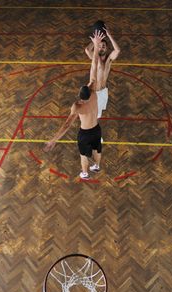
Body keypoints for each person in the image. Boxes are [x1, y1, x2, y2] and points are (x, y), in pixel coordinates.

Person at [44, 30, 105, 180]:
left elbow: (66, 125)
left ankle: (84, 174)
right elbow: (94, 64)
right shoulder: (95, 92)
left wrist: (53, 140)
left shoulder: (77, 107)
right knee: (97, 149)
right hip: (96, 129)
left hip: (85, 133)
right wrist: (96, 47)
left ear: (80, 96)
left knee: (84, 154)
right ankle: (96, 166)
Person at [85, 25, 120, 118]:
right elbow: (87, 50)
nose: (101, 48)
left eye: (103, 46)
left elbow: (117, 50)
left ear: (107, 48)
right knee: (91, 116)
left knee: (98, 116)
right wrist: (95, 41)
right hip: (93, 92)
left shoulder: (109, 60)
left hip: (103, 92)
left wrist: (109, 35)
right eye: (99, 46)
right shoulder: (95, 57)